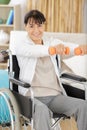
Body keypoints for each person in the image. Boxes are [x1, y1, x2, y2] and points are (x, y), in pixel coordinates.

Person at [14, 10, 87, 130]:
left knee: (83, 106)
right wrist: (52, 50)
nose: (36, 30)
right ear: (25, 26)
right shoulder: (22, 45)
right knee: (42, 110)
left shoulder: (50, 41)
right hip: (32, 97)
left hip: (54, 96)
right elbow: (35, 51)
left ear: (44, 26)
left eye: (40, 25)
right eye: (31, 26)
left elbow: (66, 48)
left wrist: (79, 49)